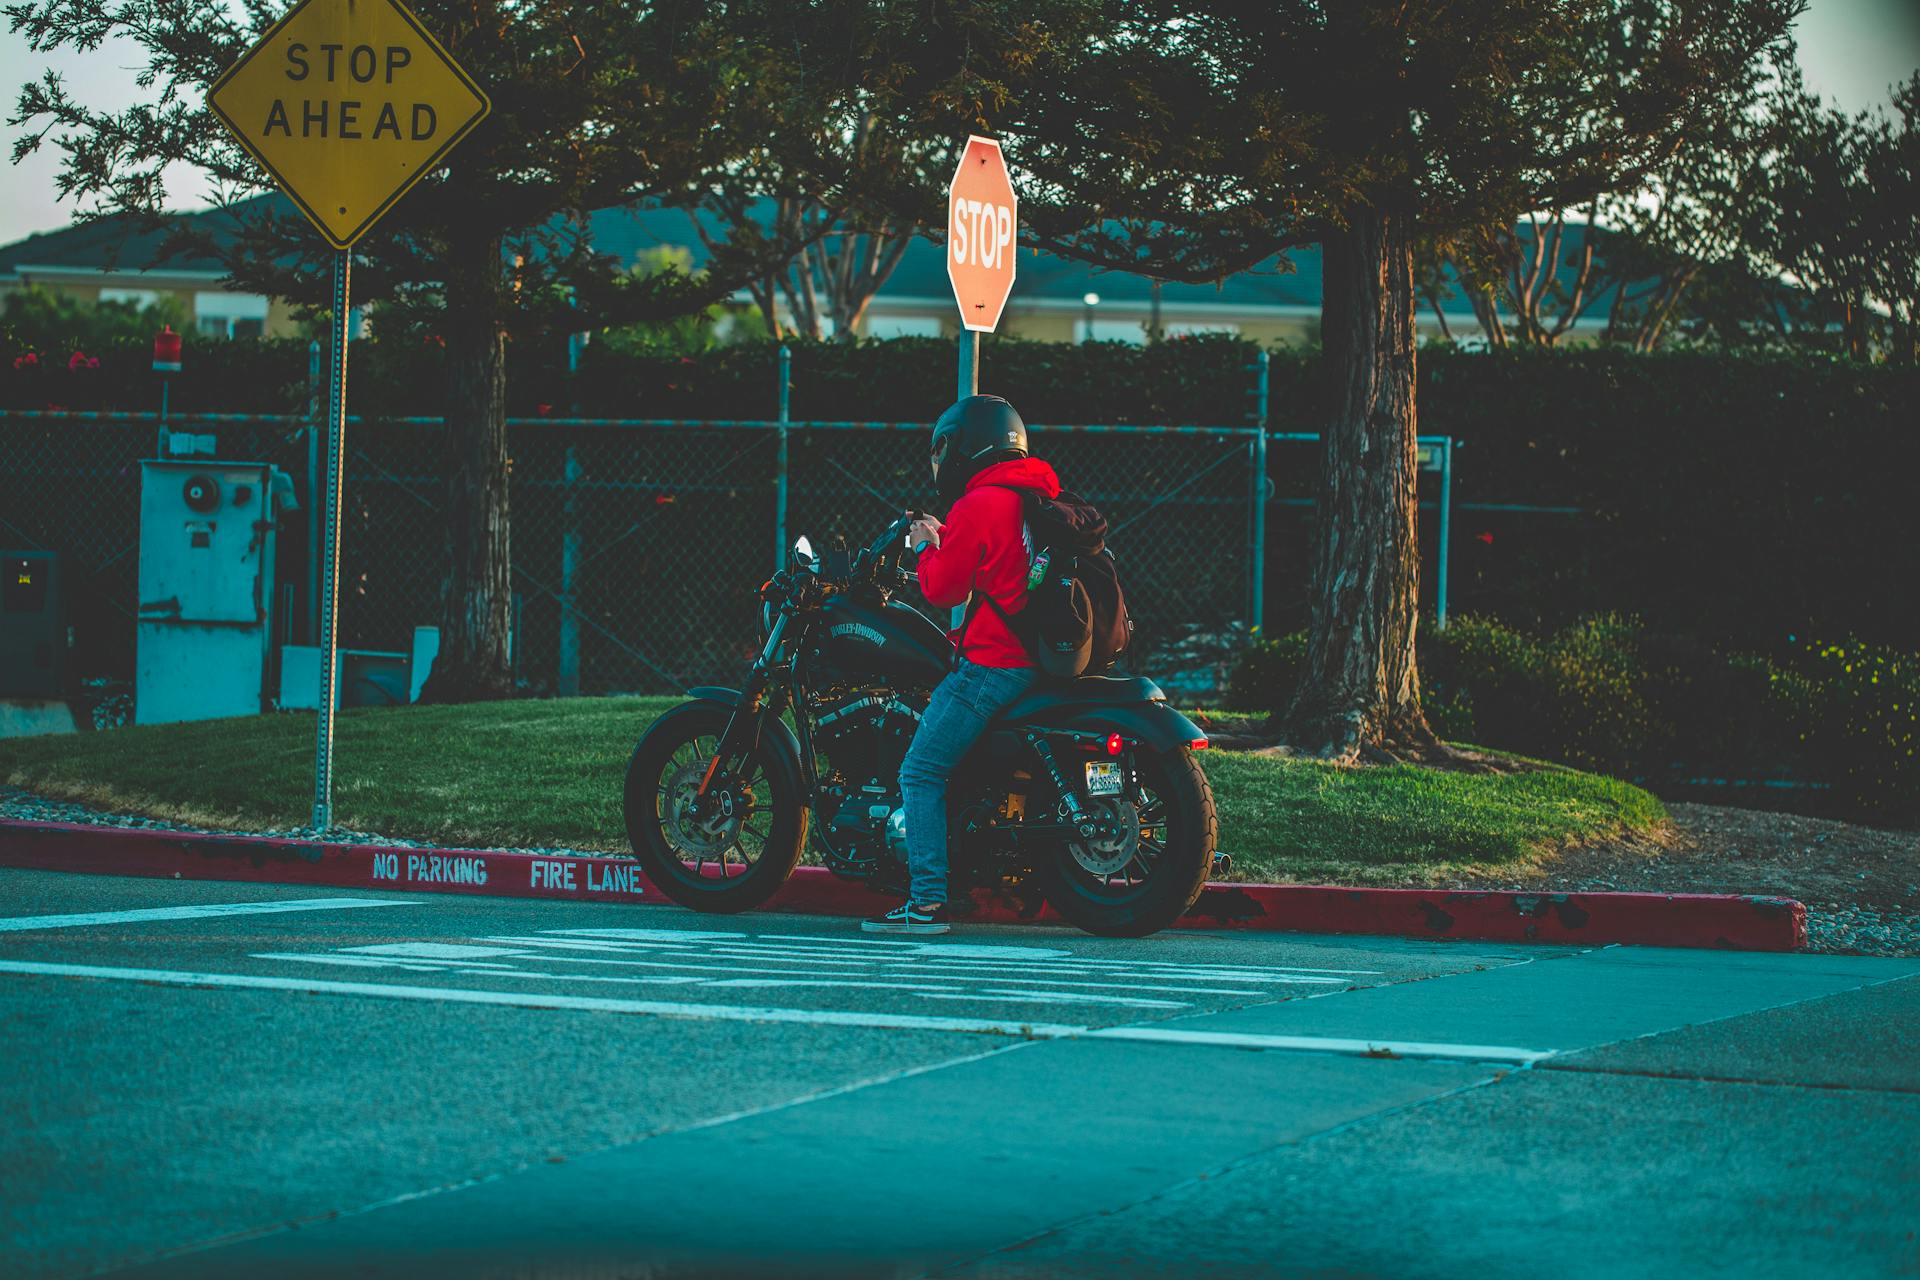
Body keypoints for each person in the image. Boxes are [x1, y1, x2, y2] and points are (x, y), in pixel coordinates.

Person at [863, 395, 1058, 935]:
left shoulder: (977, 505)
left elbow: (943, 587)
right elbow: (1002, 566)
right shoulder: (1035, 495)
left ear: (965, 446)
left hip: (993, 664)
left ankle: (925, 904)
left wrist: (926, 545)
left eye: (943, 448)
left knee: (919, 769)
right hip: (1035, 658)